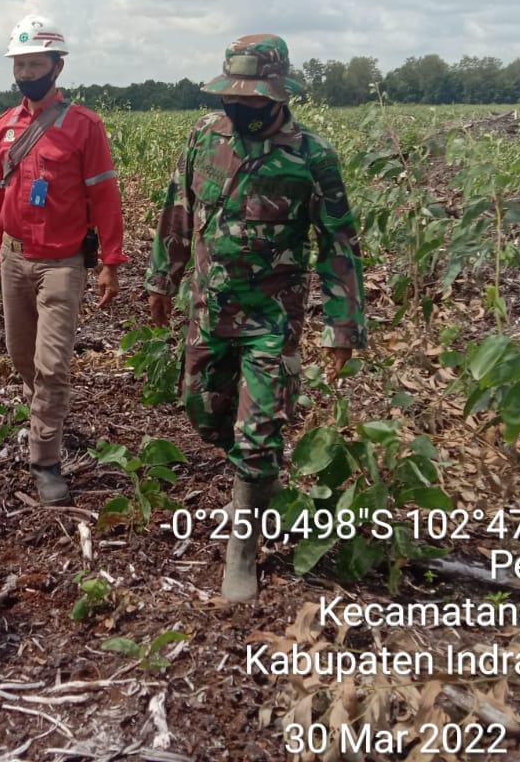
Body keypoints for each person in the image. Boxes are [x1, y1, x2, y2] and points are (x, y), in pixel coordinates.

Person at [144, 34, 366, 602]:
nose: (237, 110)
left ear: (278, 96)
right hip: (207, 308)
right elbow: (178, 209)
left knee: (261, 429)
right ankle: (255, 473)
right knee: (203, 411)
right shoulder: (203, 138)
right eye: (231, 101)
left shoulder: (311, 156)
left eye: (249, 102)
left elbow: (338, 243)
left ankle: (243, 546)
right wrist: (161, 280)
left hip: (273, 317)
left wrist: (341, 327)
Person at [0, 14, 127, 506]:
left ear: (57, 66)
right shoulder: (4, 128)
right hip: (13, 258)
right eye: (19, 64)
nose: (26, 73)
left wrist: (111, 260)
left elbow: (104, 195)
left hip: (62, 263)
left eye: (35, 63)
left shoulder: (84, 126)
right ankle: (48, 415)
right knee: (22, 357)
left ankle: (45, 458)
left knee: (52, 365)